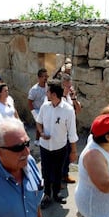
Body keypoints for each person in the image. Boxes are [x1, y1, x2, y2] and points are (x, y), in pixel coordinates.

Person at [36, 79, 78, 208]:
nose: (46, 93)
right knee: (46, 171)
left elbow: (72, 132)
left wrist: (73, 151)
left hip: (60, 147)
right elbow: (38, 122)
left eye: (48, 91)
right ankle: (47, 194)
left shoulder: (68, 110)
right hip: (45, 146)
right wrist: (41, 133)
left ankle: (56, 194)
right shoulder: (45, 107)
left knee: (58, 171)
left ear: (54, 94)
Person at [61, 73, 82, 184]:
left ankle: (65, 174)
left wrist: (73, 98)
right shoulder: (58, 97)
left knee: (69, 153)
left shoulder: (70, 96)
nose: (69, 88)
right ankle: (59, 177)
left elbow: (78, 110)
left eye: (70, 86)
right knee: (61, 155)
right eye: (67, 86)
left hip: (70, 129)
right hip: (61, 131)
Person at [28, 68, 48, 146]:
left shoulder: (48, 86)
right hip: (37, 109)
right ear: (39, 77)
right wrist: (35, 114)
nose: (46, 78)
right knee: (40, 123)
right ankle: (37, 140)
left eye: (47, 76)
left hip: (46, 108)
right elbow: (29, 102)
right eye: (44, 76)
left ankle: (43, 139)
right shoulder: (34, 89)